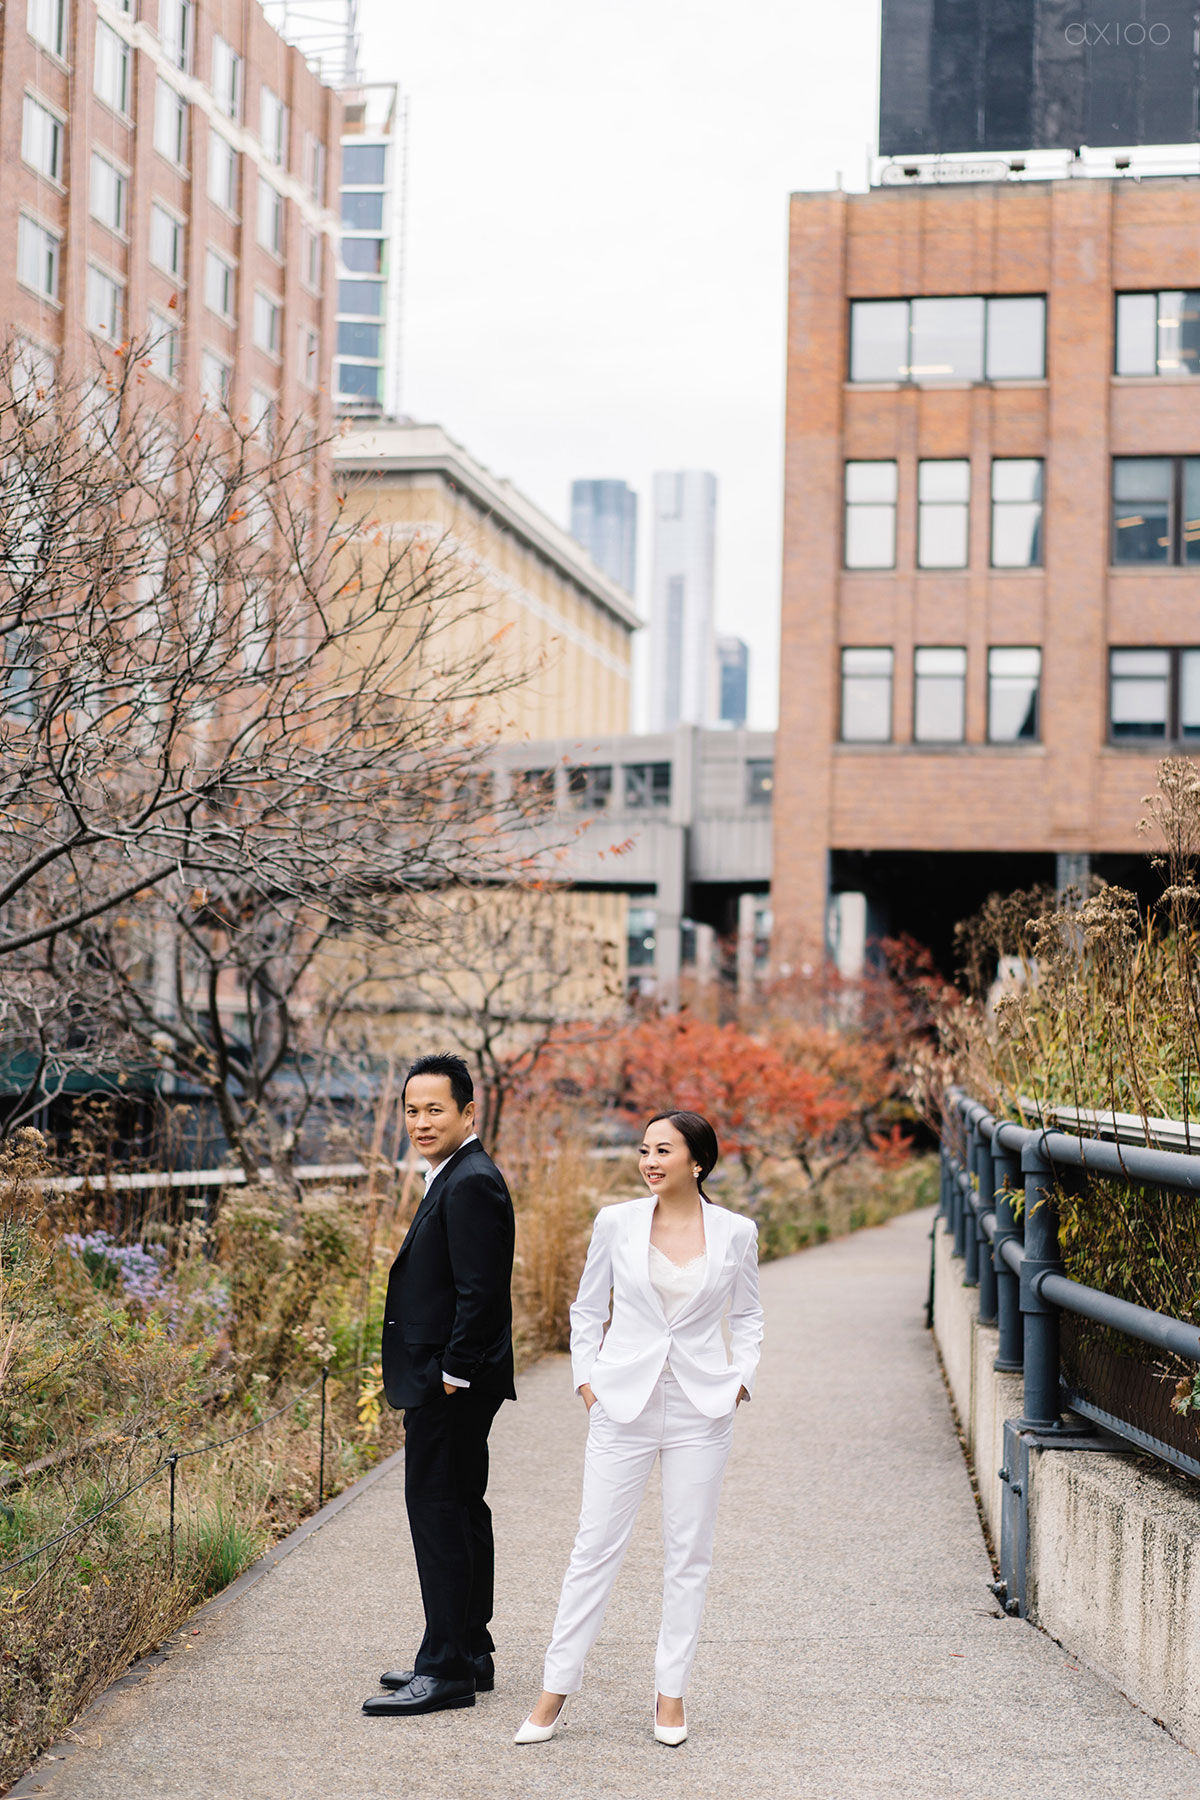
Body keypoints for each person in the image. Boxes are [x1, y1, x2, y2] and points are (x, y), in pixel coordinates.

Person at [514, 1110, 763, 1747]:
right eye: (645, 1149)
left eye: (663, 1150)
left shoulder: (737, 1233)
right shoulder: (616, 1222)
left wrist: (739, 1378)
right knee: (593, 1548)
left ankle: (670, 1693)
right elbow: (586, 1308)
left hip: (701, 1408)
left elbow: (748, 1315)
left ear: (697, 1162)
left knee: (688, 1553)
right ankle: (553, 1691)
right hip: (621, 1404)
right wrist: (587, 1383)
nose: (649, 1161)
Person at [362, 1053, 516, 1718]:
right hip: (455, 1378)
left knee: (437, 1515)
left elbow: (482, 1290)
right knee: (461, 1509)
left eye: (435, 1109)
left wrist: (452, 1372)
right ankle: (469, 1651)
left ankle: (446, 1669)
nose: (420, 1122)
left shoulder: (471, 1180)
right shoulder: (455, 1173)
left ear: (468, 1112)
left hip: (451, 1382)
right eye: (412, 1110)